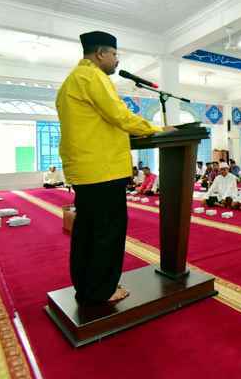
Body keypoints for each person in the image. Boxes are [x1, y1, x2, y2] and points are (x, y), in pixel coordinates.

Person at [57, 31, 164, 305]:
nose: (117, 60)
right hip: (102, 169)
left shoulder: (70, 81)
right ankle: (103, 291)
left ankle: (87, 288)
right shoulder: (94, 77)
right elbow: (119, 115)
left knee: (87, 233)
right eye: (115, 54)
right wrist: (156, 128)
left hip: (86, 169)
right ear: (101, 54)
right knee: (106, 233)